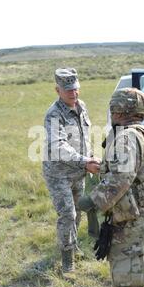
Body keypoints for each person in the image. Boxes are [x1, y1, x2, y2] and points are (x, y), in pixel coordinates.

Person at [78, 88, 144, 287]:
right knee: (139, 279)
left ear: (119, 111)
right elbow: (134, 173)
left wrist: (93, 200)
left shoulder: (127, 138)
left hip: (130, 223)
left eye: (113, 109)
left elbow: (121, 178)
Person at [42, 67, 100, 276]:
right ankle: (67, 261)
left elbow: (84, 137)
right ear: (57, 90)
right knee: (67, 214)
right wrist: (86, 162)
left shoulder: (81, 106)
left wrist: (90, 157)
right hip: (58, 174)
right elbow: (59, 147)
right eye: (68, 91)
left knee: (77, 212)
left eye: (75, 89)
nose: (73, 94)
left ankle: (73, 246)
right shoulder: (53, 114)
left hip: (78, 172)